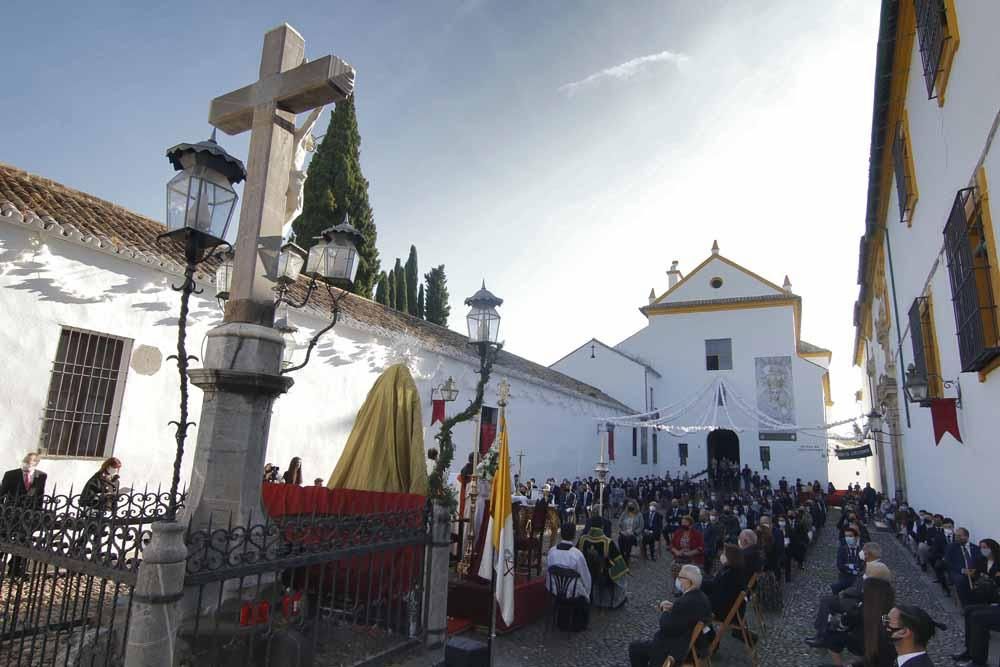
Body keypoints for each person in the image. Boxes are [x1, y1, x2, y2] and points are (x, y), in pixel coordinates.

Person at [627, 564, 713, 667]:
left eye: (680, 577)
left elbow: (666, 627)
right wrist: (673, 607)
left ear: (688, 581)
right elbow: (686, 615)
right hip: (693, 644)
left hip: (673, 648)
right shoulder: (702, 597)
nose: (678, 579)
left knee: (634, 648)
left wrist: (665, 610)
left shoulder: (683, 602)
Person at [822, 569, 896, 667]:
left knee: (832, 637)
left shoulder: (860, 608)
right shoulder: (891, 611)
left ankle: (839, 664)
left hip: (860, 644)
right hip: (881, 652)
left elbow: (845, 622)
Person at [0, 452, 48, 577]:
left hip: (28, 516)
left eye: (29, 463)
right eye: (25, 462)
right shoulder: (11, 474)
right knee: (4, 540)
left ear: (35, 464)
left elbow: (40, 496)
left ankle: (15, 570)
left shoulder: (41, 476)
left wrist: (37, 513)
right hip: (11, 515)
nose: (26, 465)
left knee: (22, 542)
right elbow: (2, 493)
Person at [546, 523, 591, 631]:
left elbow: (548, 572)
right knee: (583, 590)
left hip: (555, 590)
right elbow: (586, 576)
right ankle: (578, 623)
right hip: (573, 593)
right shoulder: (577, 554)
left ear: (561, 534)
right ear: (574, 535)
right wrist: (587, 593)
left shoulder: (552, 551)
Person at [578, 517, 628, 609]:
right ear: (602, 526)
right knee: (621, 573)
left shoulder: (582, 540)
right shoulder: (607, 542)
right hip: (602, 576)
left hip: (585, 574)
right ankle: (610, 601)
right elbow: (619, 563)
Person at [77, 457, 122, 558]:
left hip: (106, 509)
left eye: (117, 468)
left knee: (99, 532)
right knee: (90, 531)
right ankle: (79, 549)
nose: (114, 470)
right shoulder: (97, 478)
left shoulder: (115, 480)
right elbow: (88, 493)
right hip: (94, 508)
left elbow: (115, 495)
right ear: (107, 466)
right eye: (113, 467)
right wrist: (100, 495)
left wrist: (114, 508)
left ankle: (95, 554)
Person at [702, 544, 746, 621]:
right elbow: (715, 585)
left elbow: (718, 593)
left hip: (724, 612)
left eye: (724, 553)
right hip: (727, 608)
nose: (721, 555)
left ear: (730, 557)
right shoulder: (732, 570)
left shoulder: (731, 575)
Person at [945, 527, 983, 607]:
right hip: (958, 571)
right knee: (960, 580)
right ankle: (966, 605)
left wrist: (975, 570)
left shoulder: (976, 548)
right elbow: (948, 562)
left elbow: (981, 561)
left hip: (974, 571)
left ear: (966, 536)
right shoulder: (951, 547)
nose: (957, 538)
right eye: (956, 536)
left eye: (959, 536)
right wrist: (963, 570)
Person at [834, 526, 864, 594]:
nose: (847, 538)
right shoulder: (842, 549)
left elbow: (862, 566)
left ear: (856, 537)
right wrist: (854, 568)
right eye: (846, 536)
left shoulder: (861, 549)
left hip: (858, 579)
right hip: (845, 577)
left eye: (850, 536)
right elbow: (840, 565)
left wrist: (848, 566)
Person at [618, 500, 644, 566]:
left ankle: (627, 557)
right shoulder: (624, 513)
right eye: (629, 505)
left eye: (632, 505)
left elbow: (641, 527)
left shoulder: (639, 515)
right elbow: (619, 522)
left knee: (629, 539)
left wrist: (634, 532)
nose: (630, 507)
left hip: (634, 534)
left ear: (635, 506)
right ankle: (622, 555)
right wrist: (622, 530)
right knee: (620, 538)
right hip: (624, 532)